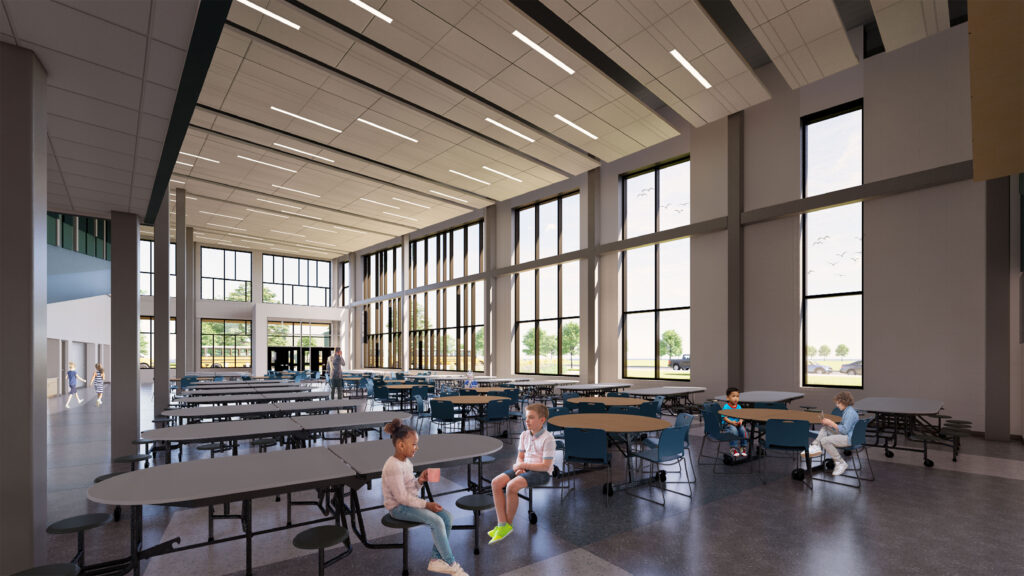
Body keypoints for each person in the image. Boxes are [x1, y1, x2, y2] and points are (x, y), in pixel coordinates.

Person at [381, 419, 468, 576]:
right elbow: (401, 498)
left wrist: (420, 481)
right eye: (414, 444)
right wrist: (427, 505)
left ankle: (436, 560)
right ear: (401, 445)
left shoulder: (407, 463)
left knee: (446, 517)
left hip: (408, 504)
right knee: (436, 520)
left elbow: (410, 491)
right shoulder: (393, 465)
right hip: (398, 509)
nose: (417, 447)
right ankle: (450, 563)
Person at [488, 403, 555, 544]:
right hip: (524, 467)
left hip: (541, 473)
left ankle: (508, 525)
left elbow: (545, 466)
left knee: (511, 486)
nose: (527, 420)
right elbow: (520, 456)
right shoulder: (524, 435)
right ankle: (502, 524)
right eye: (526, 417)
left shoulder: (548, 439)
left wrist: (522, 465)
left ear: (542, 420)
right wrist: (519, 467)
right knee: (495, 483)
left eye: (531, 417)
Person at [813, 391, 859, 476]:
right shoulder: (848, 411)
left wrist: (831, 423)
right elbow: (842, 428)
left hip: (849, 438)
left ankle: (840, 463)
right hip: (847, 435)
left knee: (825, 441)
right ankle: (816, 445)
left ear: (844, 402)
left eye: (838, 403)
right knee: (825, 428)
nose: (837, 405)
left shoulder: (850, 413)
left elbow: (844, 430)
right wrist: (829, 424)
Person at [720, 387, 749, 458]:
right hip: (728, 424)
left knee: (743, 430)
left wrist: (741, 421)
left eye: (737, 396)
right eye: (733, 396)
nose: (736, 398)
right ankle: (733, 448)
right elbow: (724, 417)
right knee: (734, 430)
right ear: (728, 398)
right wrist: (731, 422)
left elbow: (742, 416)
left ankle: (743, 447)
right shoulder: (726, 406)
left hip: (737, 424)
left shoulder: (738, 406)